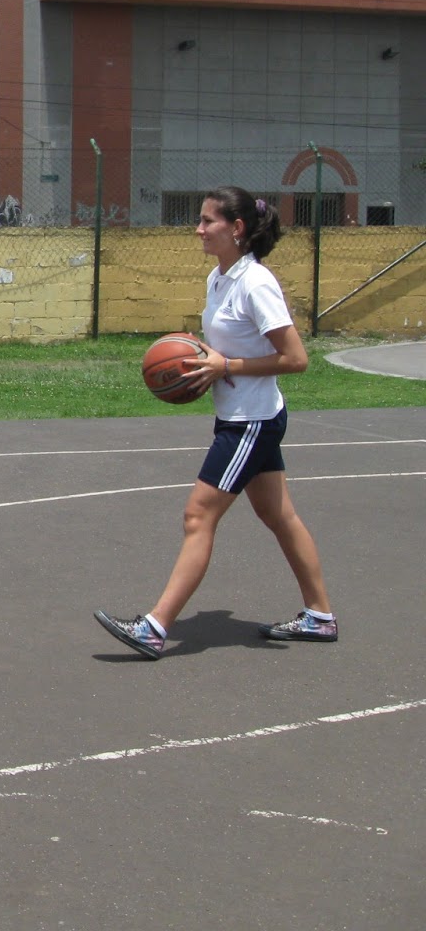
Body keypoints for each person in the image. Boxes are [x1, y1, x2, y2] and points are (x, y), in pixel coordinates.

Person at [96, 185, 337, 659]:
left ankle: (154, 627)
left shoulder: (256, 283)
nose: (199, 228)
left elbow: (296, 358)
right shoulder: (220, 278)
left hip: (250, 422)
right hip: (246, 415)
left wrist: (227, 368)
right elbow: (230, 347)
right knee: (278, 515)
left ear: (237, 228)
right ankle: (320, 616)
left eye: (209, 221)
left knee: (198, 515)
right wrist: (207, 361)